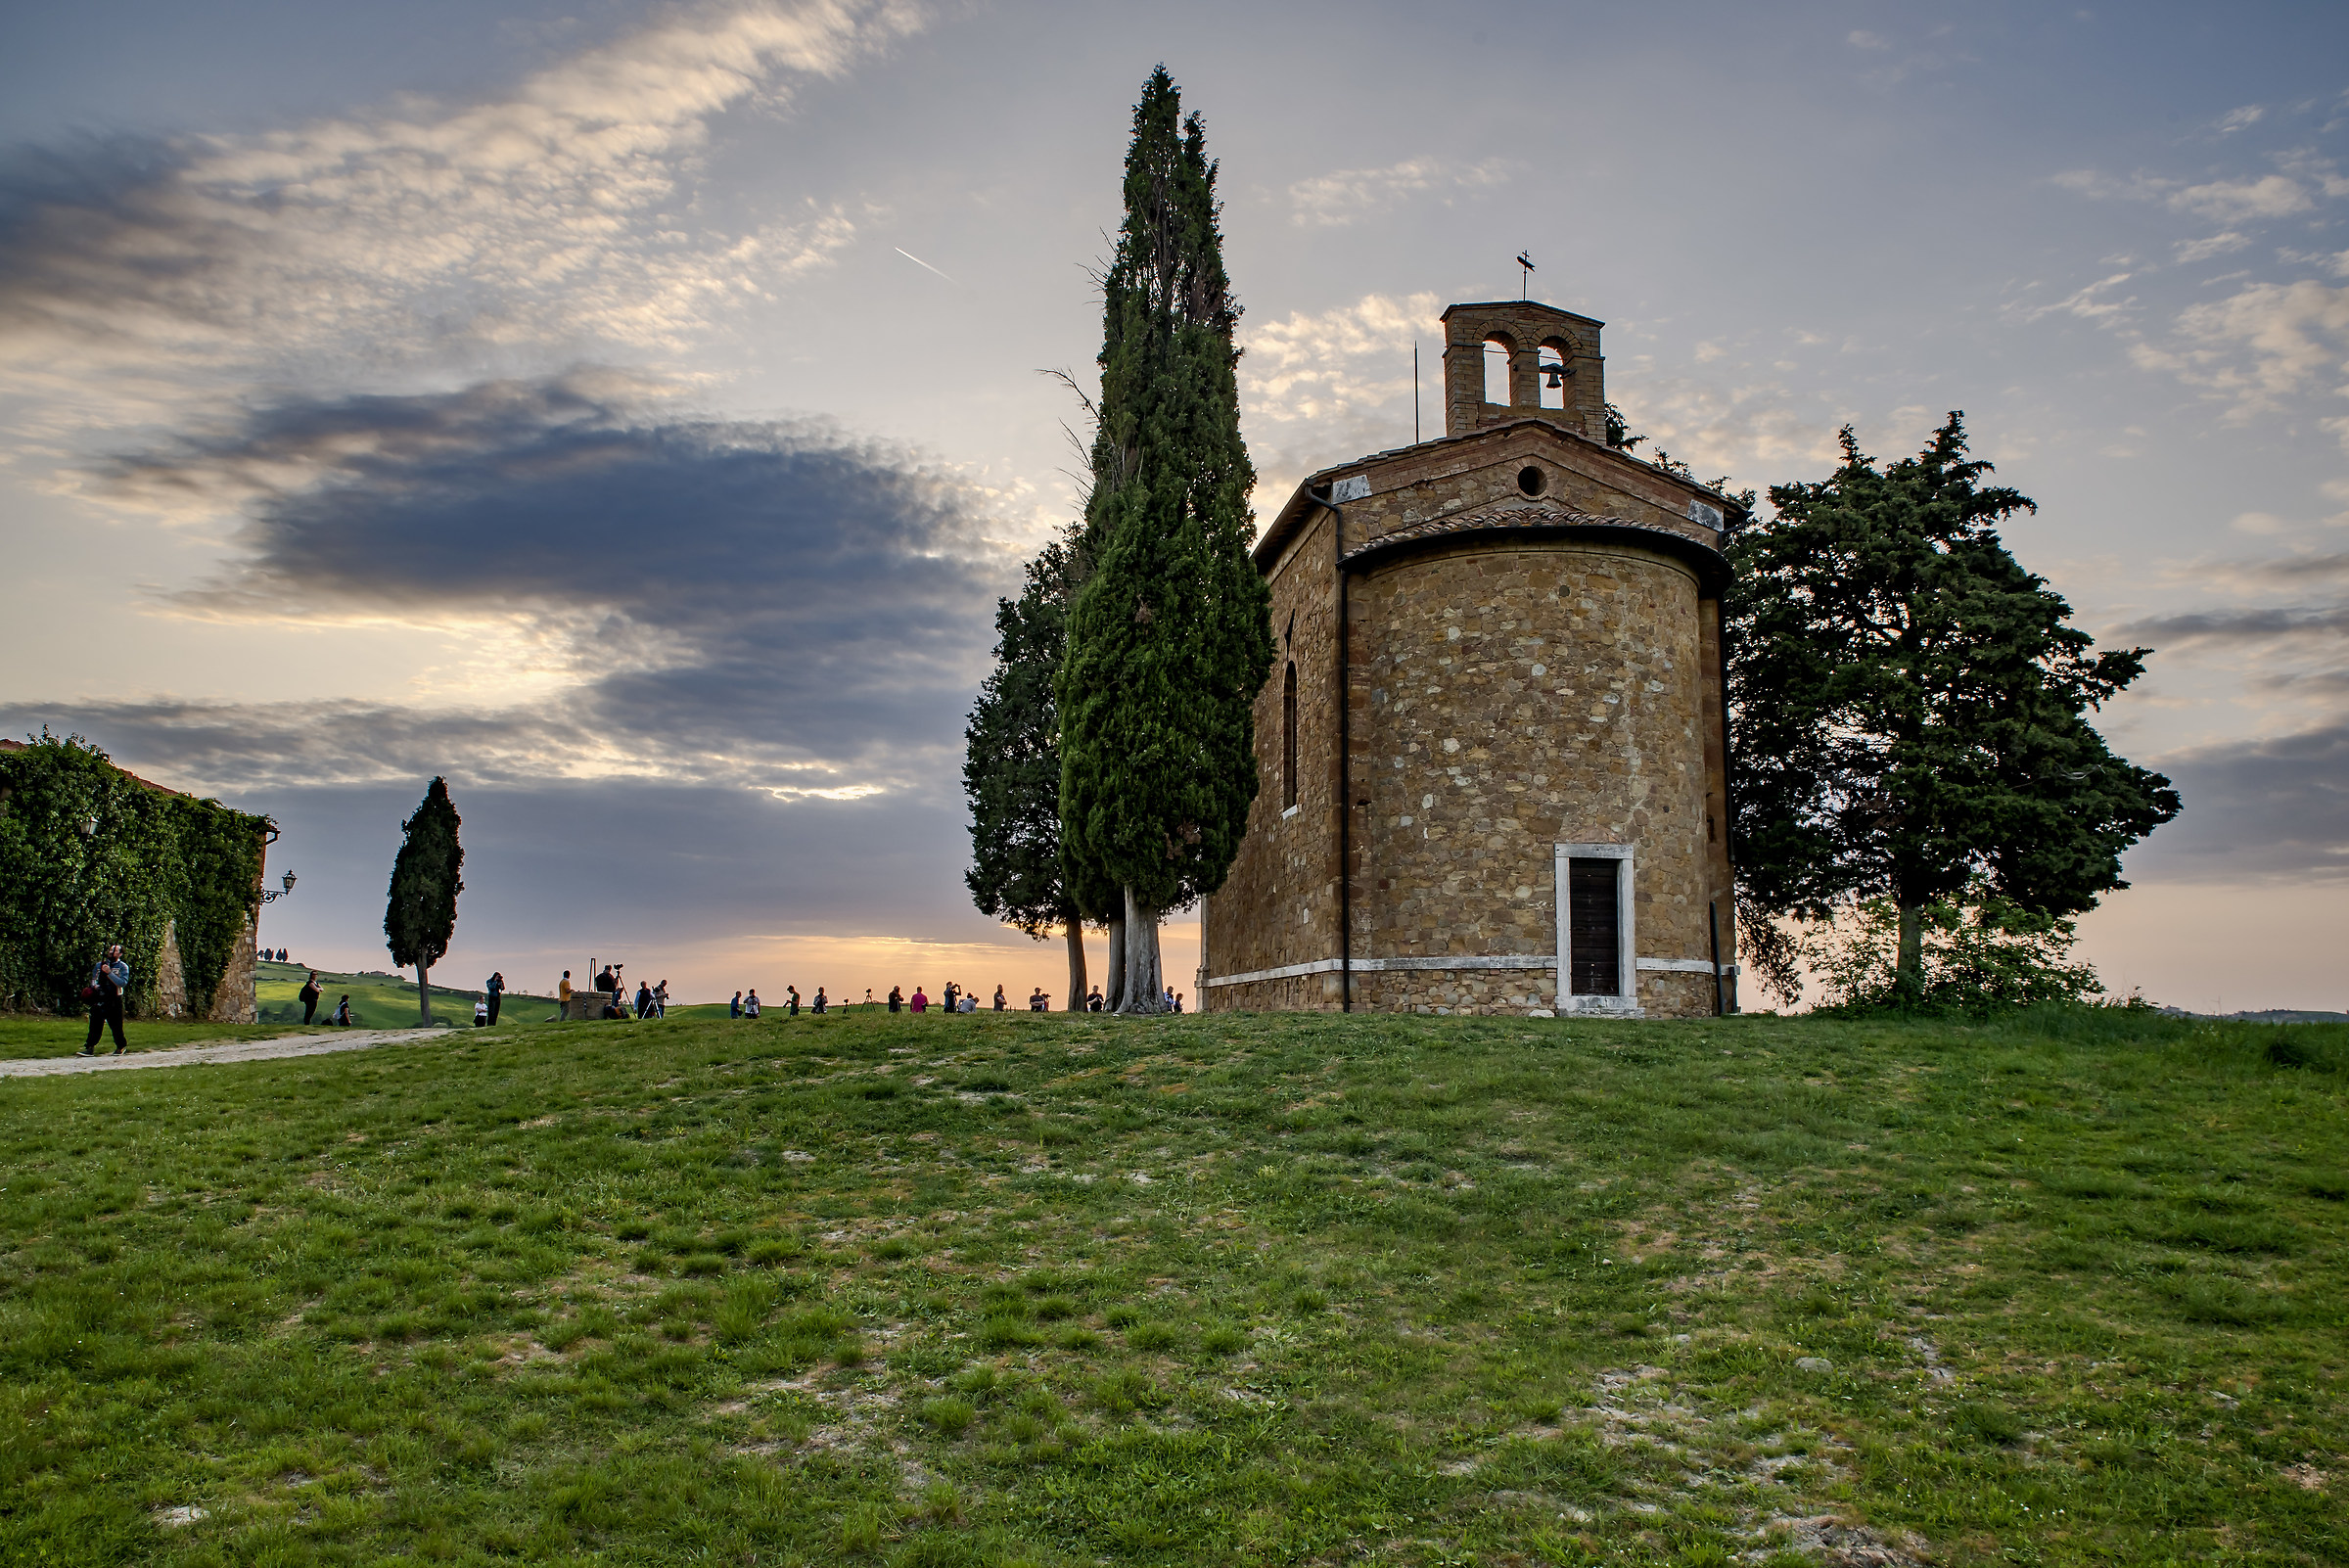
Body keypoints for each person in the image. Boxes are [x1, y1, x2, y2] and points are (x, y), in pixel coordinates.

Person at [78, 944, 131, 1056]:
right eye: (111, 950)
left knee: (116, 1025)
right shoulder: (99, 965)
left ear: (120, 954)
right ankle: (89, 1047)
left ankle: (120, 1047)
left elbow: (122, 982)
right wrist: (95, 986)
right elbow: (94, 979)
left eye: (115, 951)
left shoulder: (123, 967)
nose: (112, 952)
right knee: (95, 1024)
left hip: (114, 999)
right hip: (100, 998)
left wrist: (109, 973)